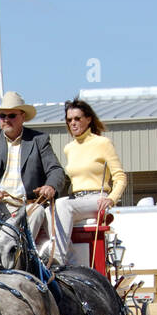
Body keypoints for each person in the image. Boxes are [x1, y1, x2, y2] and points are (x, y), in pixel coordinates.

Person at [0, 90, 69, 266]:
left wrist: (50, 186)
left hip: (26, 205)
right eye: (2, 115)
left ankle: (20, 260)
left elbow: (56, 170)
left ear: (22, 117)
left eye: (12, 115)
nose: (6, 119)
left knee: (37, 211)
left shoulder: (39, 140)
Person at [57, 98, 127, 267]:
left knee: (63, 206)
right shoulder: (69, 148)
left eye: (77, 118)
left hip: (97, 199)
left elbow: (120, 177)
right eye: (69, 120)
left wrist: (111, 199)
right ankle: (66, 258)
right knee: (49, 210)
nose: (73, 123)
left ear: (88, 119)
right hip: (76, 199)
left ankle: (59, 259)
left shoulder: (102, 143)